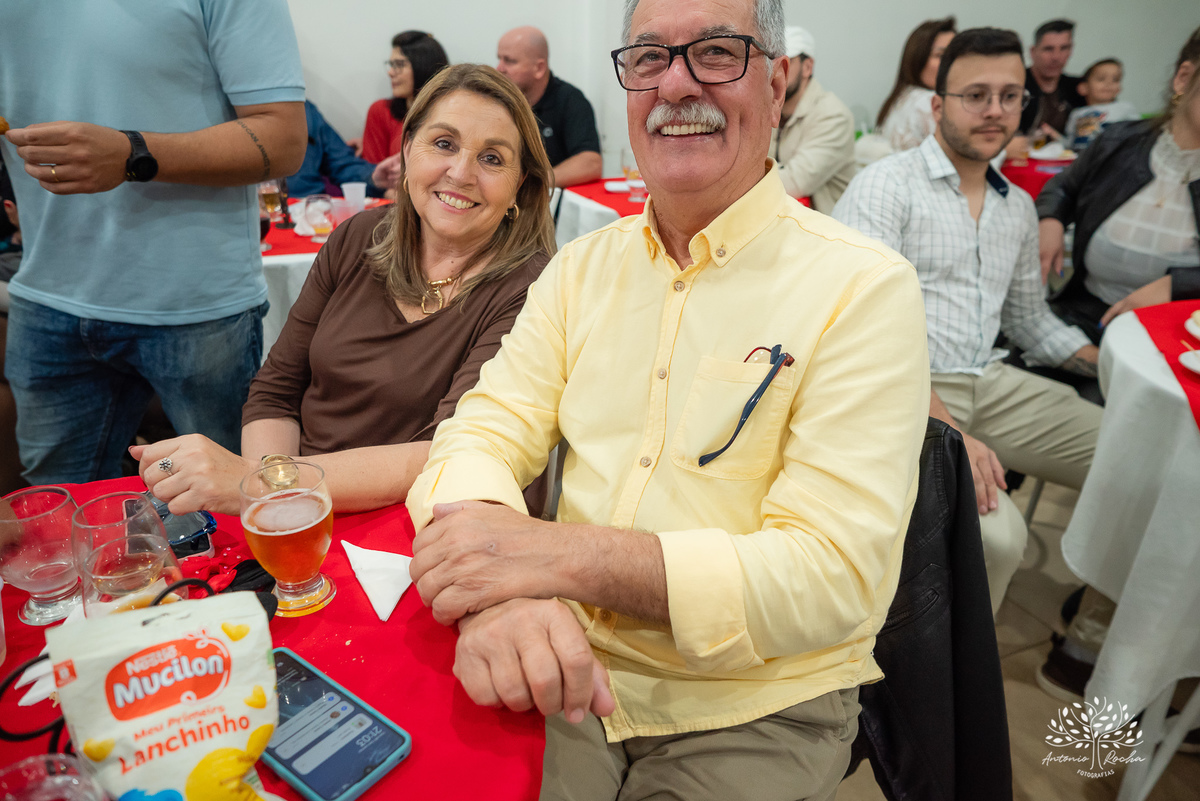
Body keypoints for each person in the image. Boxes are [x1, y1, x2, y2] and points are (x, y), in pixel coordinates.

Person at [406, 0, 931, 797]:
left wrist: (550, 557)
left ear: (777, 85)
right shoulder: (581, 269)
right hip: (561, 650)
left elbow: (830, 575)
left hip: (757, 700)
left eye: (717, 52)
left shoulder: (862, 288)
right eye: (649, 57)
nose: (676, 85)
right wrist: (495, 598)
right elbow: (480, 431)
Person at [133, 65, 556, 518]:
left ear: (520, 185)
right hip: (302, 506)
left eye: (492, 158)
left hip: (419, 522)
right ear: (407, 149)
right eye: (444, 144)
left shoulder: (532, 287)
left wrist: (265, 486)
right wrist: (281, 509)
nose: (461, 172)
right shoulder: (359, 236)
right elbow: (276, 392)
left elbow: (446, 451)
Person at [833, 27, 1103, 615]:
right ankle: (944, 669)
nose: (995, 111)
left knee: (1136, 457)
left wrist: (1105, 366)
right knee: (998, 540)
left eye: (1010, 96)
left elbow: (1029, 319)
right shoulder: (887, 186)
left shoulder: (1017, 206)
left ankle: (1098, 627)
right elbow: (861, 330)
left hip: (993, 380)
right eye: (975, 95)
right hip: (909, 387)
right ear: (937, 106)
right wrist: (948, 424)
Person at [0, 0, 307, 486]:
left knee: (235, 500)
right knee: (59, 512)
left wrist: (134, 154)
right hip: (46, 294)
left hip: (197, 305)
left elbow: (284, 138)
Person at [1039, 27, 1200, 345]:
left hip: (1179, 334)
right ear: (1184, 78)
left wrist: (1178, 285)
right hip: (1085, 314)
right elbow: (1064, 186)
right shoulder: (1118, 140)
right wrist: (1051, 218)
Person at [497, 26, 602, 187]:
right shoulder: (498, 101)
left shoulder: (570, 100)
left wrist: (532, 185)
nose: (499, 68)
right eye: (499, 59)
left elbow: (590, 163)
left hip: (550, 197)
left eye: (510, 61)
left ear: (539, 68)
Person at [770, 25, 856, 212]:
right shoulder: (767, 106)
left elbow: (794, 183)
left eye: (786, 63)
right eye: (770, 62)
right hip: (782, 216)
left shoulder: (834, 116)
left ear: (807, 67)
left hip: (825, 224)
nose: (774, 71)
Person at [360, 31, 450, 163]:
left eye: (399, 65)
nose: (390, 72)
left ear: (423, 67)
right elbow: (373, 170)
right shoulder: (381, 111)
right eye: (391, 65)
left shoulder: (451, 114)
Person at [286, 101, 403, 198]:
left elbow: (343, 164)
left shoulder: (306, 110)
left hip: (312, 207)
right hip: (282, 207)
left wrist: (374, 177)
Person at [877, 16, 957, 152]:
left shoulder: (904, 96)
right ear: (918, 59)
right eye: (941, 56)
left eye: (956, 56)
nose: (951, 63)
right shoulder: (927, 102)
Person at [1018, 19, 1084, 140]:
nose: (1056, 57)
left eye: (1064, 48)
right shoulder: (1016, 85)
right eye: (1048, 49)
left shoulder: (1079, 89)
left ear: (1071, 50)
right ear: (1033, 52)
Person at [1061, 59, 1140, 152]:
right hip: (1081, 157)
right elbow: (1069, 143)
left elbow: (1136, 136)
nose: (1109, 83)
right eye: (1101, 79)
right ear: (1083, 88)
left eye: (1115, 80)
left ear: (1119, 89)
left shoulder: (1124, 108)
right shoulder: (1077, 113)